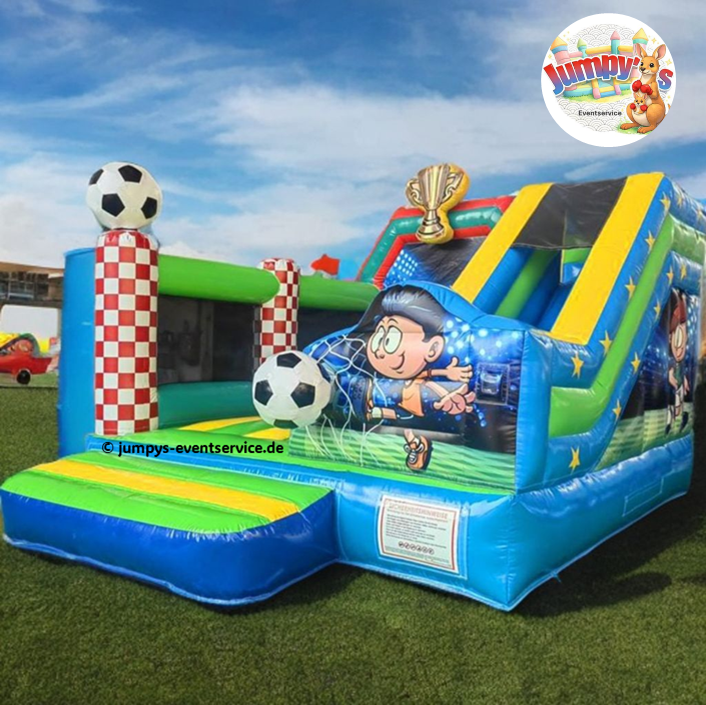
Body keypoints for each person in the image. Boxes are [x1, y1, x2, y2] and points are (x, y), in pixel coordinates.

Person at [357, 286, 476, 471]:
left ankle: (417, 445)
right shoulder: (411, 378)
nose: (379, 351)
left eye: (391, 340)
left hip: (415, 409)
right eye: (379, 336)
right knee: (397, 419)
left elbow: (431, 382)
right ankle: (413, 442)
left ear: (433, 348)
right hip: (406, 405)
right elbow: (427, 375)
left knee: (401, 423)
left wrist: (446, 392)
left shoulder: (423, 382)